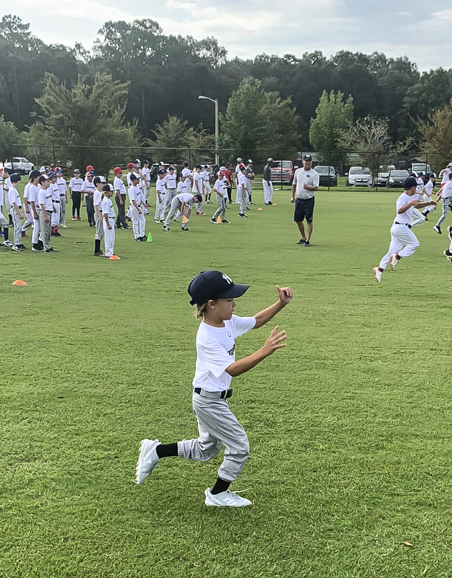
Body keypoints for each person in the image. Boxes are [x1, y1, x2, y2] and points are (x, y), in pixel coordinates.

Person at [133, 271, 293, 508]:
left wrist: (280, 304)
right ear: (211, 304)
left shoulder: (227, 321)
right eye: (229, 300)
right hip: (209, 401)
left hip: (210, 398)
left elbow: (256, 321)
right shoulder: (207, 337)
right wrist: (264, 351)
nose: (234, 303)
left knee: (206, 449)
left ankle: (156, 451)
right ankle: (218, 494)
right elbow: (233, 369)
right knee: (239, 446)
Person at [372, 176, 437, 284]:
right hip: (400, 227)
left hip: (397, 228)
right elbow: (400, 210)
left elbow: (416, 206)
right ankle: (398, 256)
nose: (416, 191)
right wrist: (410, 204)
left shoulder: (408, 198)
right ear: (411, 188)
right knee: (414, 244)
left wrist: (429, 203)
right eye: (415, 188)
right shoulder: (403, 197)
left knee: (391, 252)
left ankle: (379, 269)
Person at [291, 154, 319, 247]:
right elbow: (294, 184)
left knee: (309, 220)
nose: (307, 162)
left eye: (309, 161)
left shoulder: (314, 174)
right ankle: (303, 237)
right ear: (303, 161)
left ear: (311, 162)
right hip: (299, 199)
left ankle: (308, 239)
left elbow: (316, 187)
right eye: (306, 161)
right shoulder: (298, 172)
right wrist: (292, 196)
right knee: (298, 220)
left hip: (308, 200)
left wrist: (308, 187)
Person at [37, 175, 56, 253]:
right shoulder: (41, 192)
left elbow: (49, 200)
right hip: (46, 212)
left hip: (49, 211)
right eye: (47, 181)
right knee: (45, 231)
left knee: (48, 231)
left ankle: (48, 245)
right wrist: (45, 216)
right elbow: (42, 205)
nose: (49, 182)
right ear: (42, 182)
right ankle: (45, 247)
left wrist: (53, 207)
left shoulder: (47, 191)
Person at [7, 173, 25, 251]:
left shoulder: (13, 190)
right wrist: (19, 213)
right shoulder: (12, 190)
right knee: (17, 227)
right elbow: (14, 203)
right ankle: (16, 244)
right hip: (15, 209)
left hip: (16, 208)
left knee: (19, 226)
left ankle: (18, 242)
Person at [100, 184, 117, 258]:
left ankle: (111, 251)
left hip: (111, 219)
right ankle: (108, 252)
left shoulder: (108, 200)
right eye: (111, 191)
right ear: (106, 192)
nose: (112, 193)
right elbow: (105, 214)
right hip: (108, 220)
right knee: (109, 237)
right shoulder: (106, 201)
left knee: (112, 237)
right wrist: (108, 224)